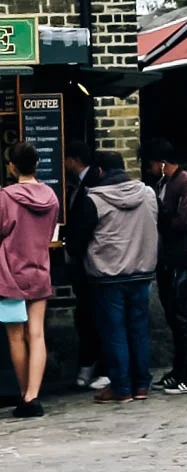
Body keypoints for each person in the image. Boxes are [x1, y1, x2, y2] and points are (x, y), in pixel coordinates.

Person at [68, 150, 159, 404]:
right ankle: (141, 385)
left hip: (107, 275)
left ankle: (121, 387)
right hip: (142, 272)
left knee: (114, 332)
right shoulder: (148, 194)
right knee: (139, 330)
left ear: (99, 171)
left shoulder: (94, 200)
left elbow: (77, 241)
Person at [0, 142, 60, 418]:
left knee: (16, 337)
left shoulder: (5, 197)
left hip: (9, 273)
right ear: (36, 164)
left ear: (12, 166)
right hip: (39, 269)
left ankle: (24, 394)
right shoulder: (51, 197)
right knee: (36, 334)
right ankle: (32, 396)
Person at [141, 140, 187, 394]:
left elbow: (184, 221)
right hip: (168, 259)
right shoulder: (164, 183)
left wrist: (161, 215)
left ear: (162, 163)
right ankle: (179, 368)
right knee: (174, 318)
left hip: (182, 258)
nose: (149, 169)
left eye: (151, 164)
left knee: (184, 317)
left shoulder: (186, 183)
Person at [64, 140, 102, 388]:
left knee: (89, 315)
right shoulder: (80, 184)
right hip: (85, 262)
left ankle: (92, 364)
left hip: (91, 261)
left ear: (74, 160)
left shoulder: (91, 184)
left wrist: (74, 248)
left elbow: (86, 223)